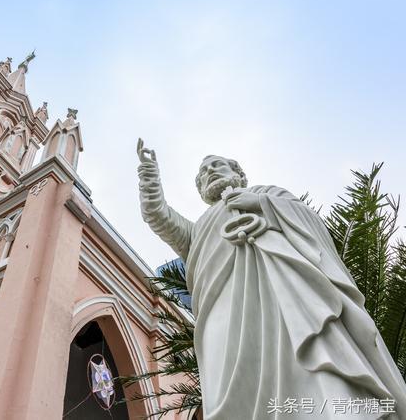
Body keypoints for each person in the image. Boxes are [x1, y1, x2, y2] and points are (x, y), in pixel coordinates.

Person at [136, 138, 406, 419]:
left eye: (217, 165)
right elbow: (159, 216)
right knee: (231, 379)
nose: (210, 172)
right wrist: (149, 177)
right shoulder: (198, 230)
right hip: (224, 313)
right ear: (201, 189)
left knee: (309, 368)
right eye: (203, 172)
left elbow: (312, 225)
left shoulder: (268, 194)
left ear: (239, 174)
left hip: (286, 298)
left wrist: (262, 205)